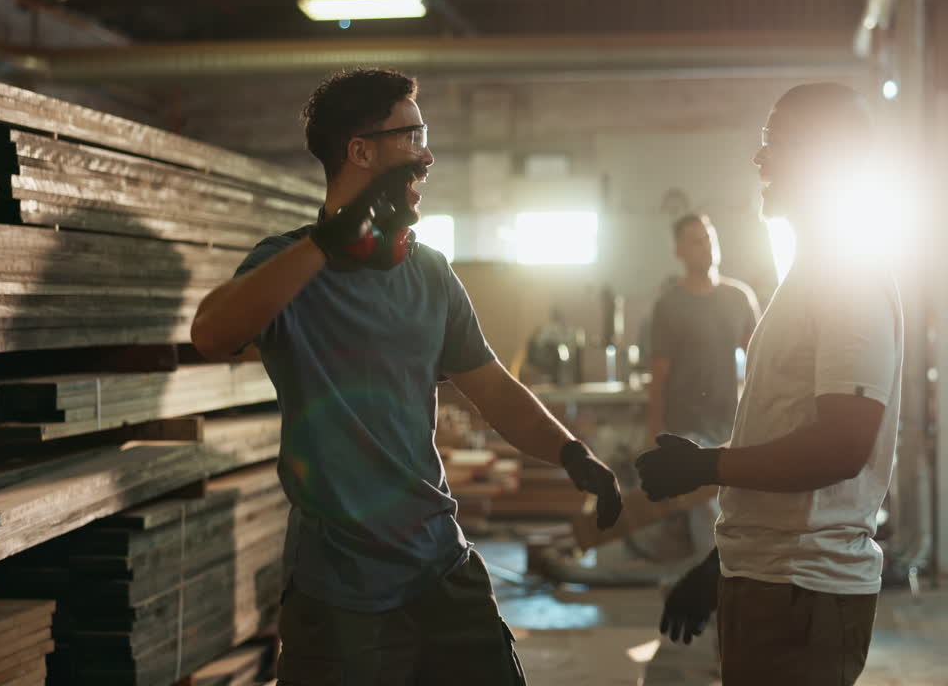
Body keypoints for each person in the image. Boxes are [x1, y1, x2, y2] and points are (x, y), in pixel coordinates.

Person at [190, 67, 622, 685]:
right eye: (412, 135)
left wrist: (572, 453)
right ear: (360, 151)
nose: (428, 154)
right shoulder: (285, 270)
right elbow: (210, 334)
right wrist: (328, 240)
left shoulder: (429, 273)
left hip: (440, 566)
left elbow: (493, 388)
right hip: (340, 586)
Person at [635, 82, 904, 686]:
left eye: (775, 143)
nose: (760, 159)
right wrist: (719, 565)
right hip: (771, 577)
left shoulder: (849, 274)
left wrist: (709, 467)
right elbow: (786, 426)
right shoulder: (810, 273)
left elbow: (841, 445)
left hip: (804, 590)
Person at [635, 213, 758, 562]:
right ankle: (714, 592)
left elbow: (760, 363)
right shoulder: (669, 305)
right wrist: (654, 436)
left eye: (709, 237)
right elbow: (659, 377)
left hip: (730, 426)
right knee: (706, 519)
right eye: (696, 240)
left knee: (731, 515)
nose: (706, 246)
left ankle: (719, 586)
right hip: (685, 429)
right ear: (678, 250)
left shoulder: (739, 298)